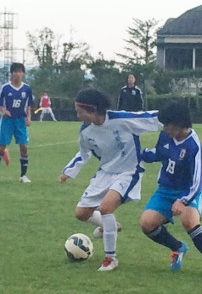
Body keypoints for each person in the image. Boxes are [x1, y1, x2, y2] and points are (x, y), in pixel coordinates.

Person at [59, 89, 161, 271]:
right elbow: (83, 153)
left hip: (128, 171)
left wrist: (173, 116)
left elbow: (149, 117)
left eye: (79, 111)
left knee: (106, 207)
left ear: (92, 109)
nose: (77, 115)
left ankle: (110, 258)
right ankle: (109, 226)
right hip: (105, 172)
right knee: (81, 213)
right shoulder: (86, 131)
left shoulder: (120, 119)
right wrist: (68, 171)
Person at [139, 101, 202, 280]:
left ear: (179, 124)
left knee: (189, 221)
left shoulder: (193, 145)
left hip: (190, 190)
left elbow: (198, 179)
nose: (164, 128)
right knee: (146, 224)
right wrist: (140, 153)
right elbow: (159, 153)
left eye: (167, 125)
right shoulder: (166, 136)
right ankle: (178, 247)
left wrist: (183, 200)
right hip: (165, 189)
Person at [0, 62, 34, 183]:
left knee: (24, 146)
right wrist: (4, 110)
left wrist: (29, 117)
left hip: (20, 120)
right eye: (15, 71)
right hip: (7, 121)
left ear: (23, 73)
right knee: (1, 147)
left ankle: (23, 175)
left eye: (20, 71)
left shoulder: (26, 88)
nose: (17, 74)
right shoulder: (5, 88)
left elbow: (28, 105)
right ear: (11, 73)